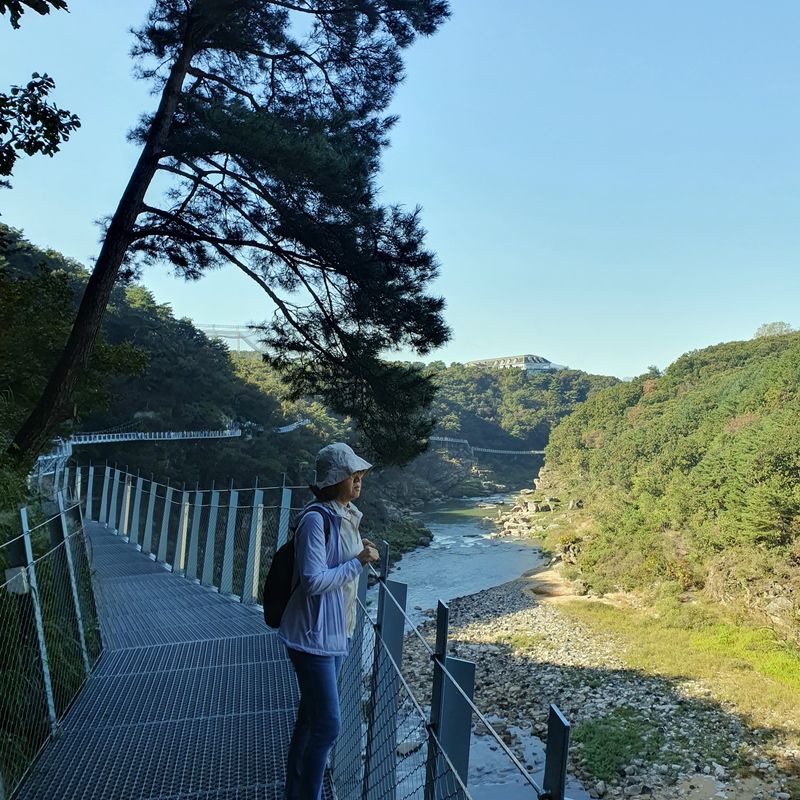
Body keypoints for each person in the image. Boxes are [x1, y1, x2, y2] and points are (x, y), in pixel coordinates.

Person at [279, 442, 380, 800]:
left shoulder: (345, 515)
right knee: (328, 725)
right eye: (352, 474)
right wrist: (359, 562)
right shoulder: (314, 520)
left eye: (359, 474)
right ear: (335, 478)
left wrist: (357, 551)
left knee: (310, 721)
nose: (358, 480)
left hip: (335, 633)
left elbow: (337, 562)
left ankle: (295, 792)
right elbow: (313, 580)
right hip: (312, 637)